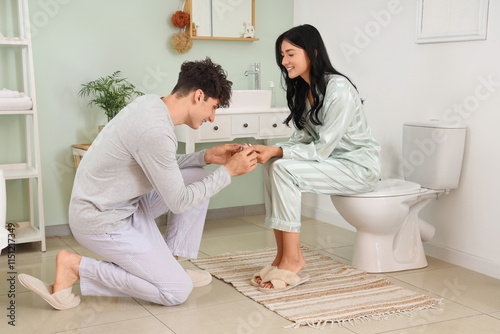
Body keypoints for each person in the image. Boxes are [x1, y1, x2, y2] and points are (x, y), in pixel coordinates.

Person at [19, 58, 258, 309]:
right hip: (101, 220)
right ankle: (76, 267)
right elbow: (179, 202)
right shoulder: (155, 130)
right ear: (199, 96)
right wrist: (228, 172)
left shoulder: (152, 104)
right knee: (177, 291)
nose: (212, 117)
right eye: (214, 107)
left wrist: (205, 157)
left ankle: (168, 265)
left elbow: (159, 163)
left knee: (198, 174)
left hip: (124, 205)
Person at [251, 24, 381, 292]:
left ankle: (293, 259)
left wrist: (277, 150)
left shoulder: (339, 89)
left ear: (312, 51)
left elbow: (321, 148)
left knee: (283, 167)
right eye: (282, 56)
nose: (284, 61)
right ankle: (282, 256)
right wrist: (268, 151)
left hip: (357, 167)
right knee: (274, 165)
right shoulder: (304, 89)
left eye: (290, 54)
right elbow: (302, 141)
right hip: (333, 164)